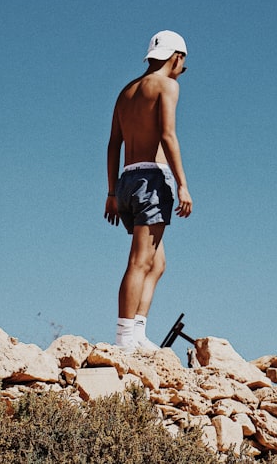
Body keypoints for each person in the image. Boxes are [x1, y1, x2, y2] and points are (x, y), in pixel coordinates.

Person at [104, 30, 193, 351]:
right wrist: (183, 185)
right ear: (177, 58)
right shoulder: (168, 86)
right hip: (152, 179)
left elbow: (114, 143)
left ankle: (137, 332)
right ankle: (124, 338)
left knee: (157, 264)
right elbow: (168, 136)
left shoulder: (126, 92)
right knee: (141, 262)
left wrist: (112, 192)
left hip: (127, 180)